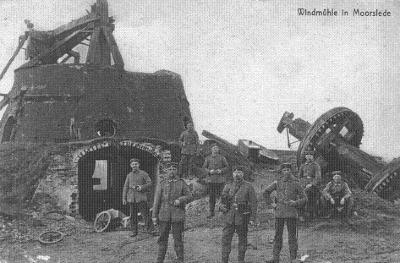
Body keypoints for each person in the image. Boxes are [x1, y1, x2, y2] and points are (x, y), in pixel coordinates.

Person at [263, 163, 307, 263]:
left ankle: (293, 258)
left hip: (291, 213)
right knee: (277, 235)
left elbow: (305, 198)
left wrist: (295, 203)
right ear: (281, 171)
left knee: (292, 236)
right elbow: (265, 192)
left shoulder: (296, 183)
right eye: (284, 170)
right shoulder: (277, 182)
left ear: (291, 171)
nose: (286, 172)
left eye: (288, 170)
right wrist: (272, 204)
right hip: (279, 213)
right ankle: (275, 258)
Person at [152, 162, 192, 263]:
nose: (172, 171)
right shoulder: (162, 183)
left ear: (177, 171)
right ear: (166, 171)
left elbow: (190, 196)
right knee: (162, 239)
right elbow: (156, 201)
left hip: (177, 215)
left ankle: (180, 259)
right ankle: (160, 260)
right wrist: (154, 216)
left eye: (174, 169)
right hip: (164, 215)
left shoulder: (181, 183)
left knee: (178, 239)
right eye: (170, 169)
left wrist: (180, 200)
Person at [220, 166, 257, 263]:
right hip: (229, 218)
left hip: (242, 218)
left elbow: (253, 203)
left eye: (239, 172)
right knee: (225, 240)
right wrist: (222, 207)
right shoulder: (228, 186)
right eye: (235, 172)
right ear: (232, 174)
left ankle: (241, 260)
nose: (237, 174)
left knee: (242, 240)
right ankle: (224, 260)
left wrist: (252, 218)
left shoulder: (248, 186)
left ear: (243, 174)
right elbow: (222, 201)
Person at [122, 158, 154, 237]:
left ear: (139, 165)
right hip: (131, 198)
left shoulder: (144, 174)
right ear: (130, 165)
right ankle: (134, 231)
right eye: (133, 164)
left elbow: (150, 183)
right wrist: (124, 198)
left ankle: (151, 230)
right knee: (133, 216)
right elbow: (125, 187)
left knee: (146, 215)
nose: (134, 166)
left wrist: (142, 187)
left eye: (136, 164)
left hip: (141, 197)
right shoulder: (129, 175)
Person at [202, 144, 229, 218]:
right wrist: (209, 171)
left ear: (218, 150)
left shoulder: (222, 158)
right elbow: (204, 168)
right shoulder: (208, 158)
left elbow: (227, 167)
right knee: (212, 197)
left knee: (223, 196)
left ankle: (223, 211)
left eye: (217, 148)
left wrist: (221, 170)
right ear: (211, 150)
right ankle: (211, 212)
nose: (215, 149)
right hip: (211, 180)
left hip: (221, 180)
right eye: (214, 148)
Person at [298, 149, 322, 219]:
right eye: (307, 155)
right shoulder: (302, 165)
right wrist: (300, 183)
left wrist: (312, 184)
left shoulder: (316, 165)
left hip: (313, 184)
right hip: (303, 183)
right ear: (305, 157)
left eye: (310, 155)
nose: (309, 157)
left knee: (306, 193)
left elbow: (318, 177)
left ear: (313, 157)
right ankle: (300, 213)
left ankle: (309, 213)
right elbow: (299, 176)